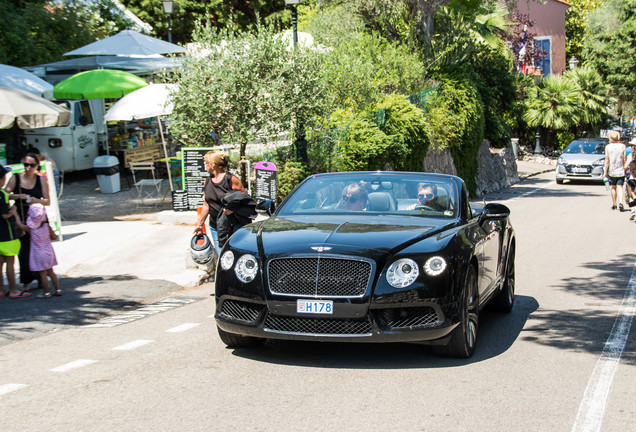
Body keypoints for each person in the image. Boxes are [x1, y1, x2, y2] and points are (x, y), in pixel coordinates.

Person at [4, 152, 51, 290]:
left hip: (38, 219)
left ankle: (42, 278)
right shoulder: (16, 178)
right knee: (24, 251)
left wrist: (37, 200)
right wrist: (18, 196)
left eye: (31, 165)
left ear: (37, 166)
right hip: (22, 218)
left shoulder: (40, 179)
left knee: (40, 249)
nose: (28, 168)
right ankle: (26, 280)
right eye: (26, 165)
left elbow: (47, 201)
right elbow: (6, 193)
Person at [193, 151, 246, 253]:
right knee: (221, 255)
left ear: (213, 165)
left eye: (206, 163)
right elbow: (206, 204)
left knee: (236, 254)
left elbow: (245, 199)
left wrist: (233, 209)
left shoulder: (230, 179)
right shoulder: (207, 181)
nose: (205, 166)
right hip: (216, 226)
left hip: (233, 225)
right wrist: (199, 225)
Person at [0, 164, 31, 299]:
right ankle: (13, 290)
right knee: (10, 264)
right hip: (6, 234)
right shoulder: (1, 195)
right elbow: (4, 214)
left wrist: (17, 196)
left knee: (0, 264)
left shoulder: (3, 194)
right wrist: (13, 211)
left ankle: (1, 290)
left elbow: (8, 196)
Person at [26, 203, 60, 298]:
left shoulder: (31, 229)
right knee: (51, 272)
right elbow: (54, 237)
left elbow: (20, 226)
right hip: (49, 252)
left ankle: (47, 292)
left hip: (38, 254)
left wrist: (15, 215)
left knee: (43, 274)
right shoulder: (47, 227)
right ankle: (58, 289)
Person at [603, 130, 628, 211]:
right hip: (621, 170)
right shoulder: (622, 146)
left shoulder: (608, 147)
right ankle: (621, 202)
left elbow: (607, 160)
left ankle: (614, 204)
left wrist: (605, 172)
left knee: (613, 187)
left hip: (612, 170)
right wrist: (625, 167)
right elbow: (624, 158)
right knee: (620, 186)